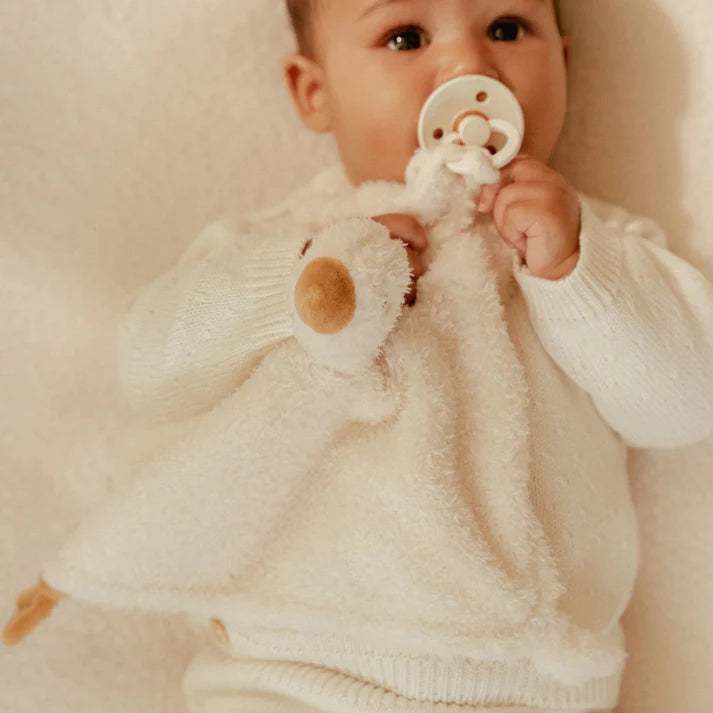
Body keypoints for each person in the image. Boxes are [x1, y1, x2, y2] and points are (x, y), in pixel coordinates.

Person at [4, 1, 713, 712]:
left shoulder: (599, 246)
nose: (469, 66)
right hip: (287, 668)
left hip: (531, 684)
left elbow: (684, 403)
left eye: (506, 28)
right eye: (405, 37)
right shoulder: (280, 241)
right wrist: (296, 286)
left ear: (562, 59)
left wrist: (574, 271)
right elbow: (150, 369)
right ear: (316, 92)